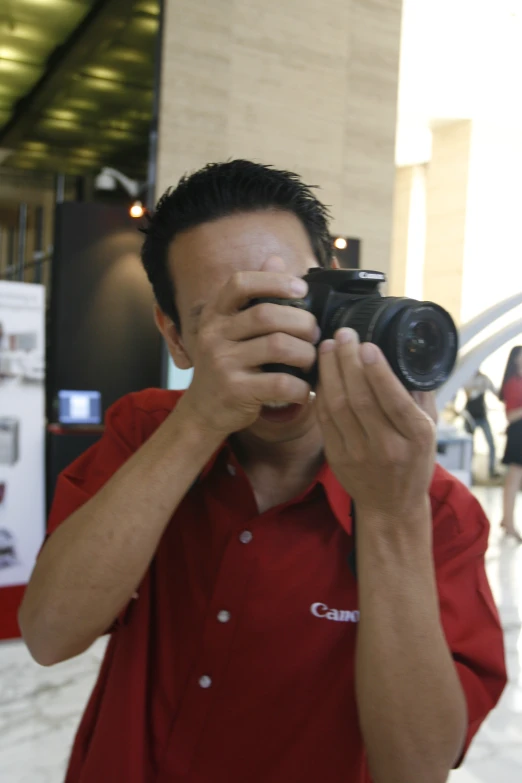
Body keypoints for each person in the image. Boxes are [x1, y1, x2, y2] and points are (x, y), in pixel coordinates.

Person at [20, 161, 506, 783]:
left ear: (334, 288)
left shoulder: (433, 510)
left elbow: (414, 768)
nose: (271, 342)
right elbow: (49, 635)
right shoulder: (148, 432)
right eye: (229, 321)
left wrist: (390, 514)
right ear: (174, 336)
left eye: (284, 305)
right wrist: (197, 423)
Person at [499, 345, 522, 541]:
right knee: (513, 480)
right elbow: (511, 415)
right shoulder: (513, 383)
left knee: (514, 481)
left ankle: (507, 520)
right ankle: (509, 522)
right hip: (517, 434)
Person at [464, 369, 500, 479]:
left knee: (491, 444)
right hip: (470, 417)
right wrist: (479, 388)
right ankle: (469, 472)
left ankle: (492, 471)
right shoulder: (466, 378)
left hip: (482, 415)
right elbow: (469, 393)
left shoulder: (484, 379)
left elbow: (496, 392)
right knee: (469, 447)